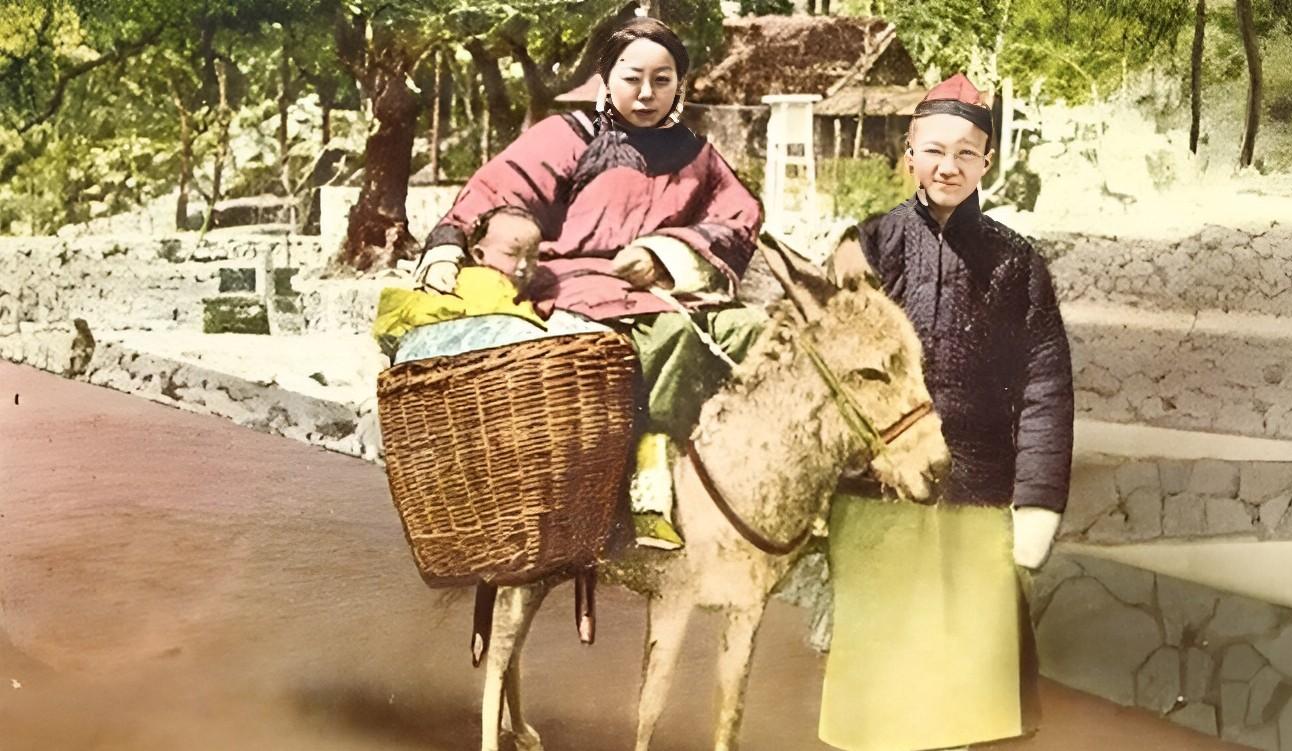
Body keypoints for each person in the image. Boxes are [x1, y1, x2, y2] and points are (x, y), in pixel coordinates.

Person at [412, 17, 765, 551]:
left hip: (672, 285)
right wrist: (447, 248)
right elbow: (495, 195)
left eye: (663, 79)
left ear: (680, 84)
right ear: (606, 78)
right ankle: (649, 472)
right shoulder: (566, 136)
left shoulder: (699, 156)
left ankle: (746, 482)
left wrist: (662, 252)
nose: (647, 93)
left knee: (757, 333)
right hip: (574, 287)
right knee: (672, 338)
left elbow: (738, 217)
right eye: (632, 77)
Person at [820, 73, 1074, 751]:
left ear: (987, 160)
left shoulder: (1017, 262)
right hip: (879, 491)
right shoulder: (867, 246)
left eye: (966, 153)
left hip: (976, 490)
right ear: (909, 154)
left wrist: (1037, 499)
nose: (948, 166)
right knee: (880, 683)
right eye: (934, 150)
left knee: (976, 684)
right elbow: (830, 366)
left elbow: (1047, 383)